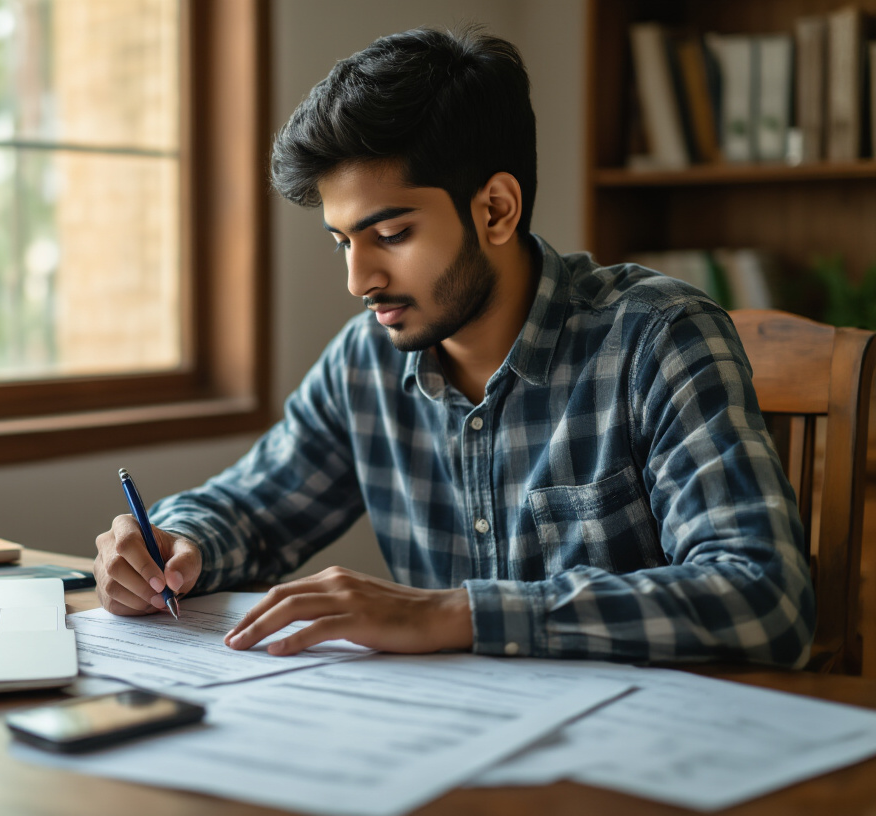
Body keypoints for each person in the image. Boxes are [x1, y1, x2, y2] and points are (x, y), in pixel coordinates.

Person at [92, 26, 813, 667]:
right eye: (343, 241)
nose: (358, 279)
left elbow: (762, 596)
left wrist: (451, 613)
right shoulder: (365, 362)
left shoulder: (658, 338)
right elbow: (249, 510)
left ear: (495, 208)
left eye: (392, 235)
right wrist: (172, 545)